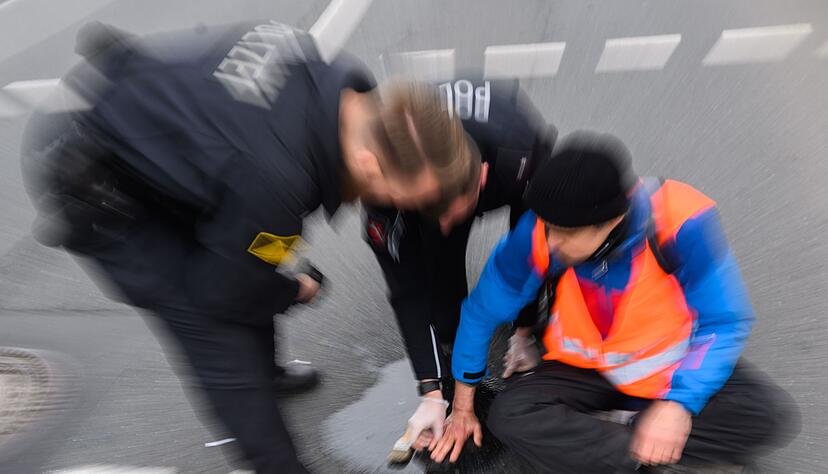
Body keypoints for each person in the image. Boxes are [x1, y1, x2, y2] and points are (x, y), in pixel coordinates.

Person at [21, 20, 478, 473]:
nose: (400, 208)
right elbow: (222, 294)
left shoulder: (338, 88)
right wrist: (290, 291)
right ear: (369, 163)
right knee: (215, 330)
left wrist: (264, 278)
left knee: (242, 261)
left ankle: (269, 374)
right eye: (404, 197)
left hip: (156, 140)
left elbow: (240, 238)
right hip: (93, 179)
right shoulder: (275, 183)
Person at [431, 132, 799, 472]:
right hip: (585, 369)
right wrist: (462, 406)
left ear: (614, 219)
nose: (553, 241)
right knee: (509, 414)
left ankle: (618, 439)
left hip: (668, 369)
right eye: (548, 226)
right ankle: (643, 446)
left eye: (568, 233)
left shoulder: (678, 219)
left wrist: (678, 404)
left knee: (765, 416)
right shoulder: (538, 232)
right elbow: (481, 312)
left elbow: (724, 321)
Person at [363, 76, 557, 451]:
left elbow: (532, 250)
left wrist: (524, 331)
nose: (449, 224)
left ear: (481, 178)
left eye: (455, 214)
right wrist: (431, 391)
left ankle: (528, 329)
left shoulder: (520, 152)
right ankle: (453, 350)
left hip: (510, 157)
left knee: (542, 253)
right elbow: (406, 290)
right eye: (434, 213)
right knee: (439, 278)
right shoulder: (383, 190)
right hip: (434, 186)